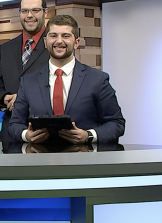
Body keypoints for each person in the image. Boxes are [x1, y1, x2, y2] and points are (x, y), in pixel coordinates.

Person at [8, 15, 125, 144]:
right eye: (53, 36)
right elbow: (14, 125)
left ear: (76, 43)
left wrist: (89, 135)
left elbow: (117, 123)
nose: (59, 41)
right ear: (45, 42)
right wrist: (27, 135)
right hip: (40, 159)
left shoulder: (97, 80)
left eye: (66, 36)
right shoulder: (28, 82)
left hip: (84, 159)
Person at [0, 0, 51, 142]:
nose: (29, 15)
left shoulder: (55, 46)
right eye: (24, 11)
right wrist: (5, 98)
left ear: (45, 12)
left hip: (45, 133)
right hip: (11, 133)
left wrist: (23, 99)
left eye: (35, 10)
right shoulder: (5, 49)